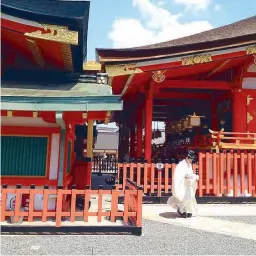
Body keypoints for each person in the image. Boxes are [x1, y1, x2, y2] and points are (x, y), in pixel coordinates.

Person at [167, 150, 199, 218]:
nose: (191, 160)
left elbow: (189, 173)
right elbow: (179, 175)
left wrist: (193, 176)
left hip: (187, 184)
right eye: (190, 159)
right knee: (184, 197)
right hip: (182, 184)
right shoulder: (181, 165)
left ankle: (187, 210)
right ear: (187, 157)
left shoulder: (189, 165)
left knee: (190, 197)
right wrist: (187, 176)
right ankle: (181, 209)